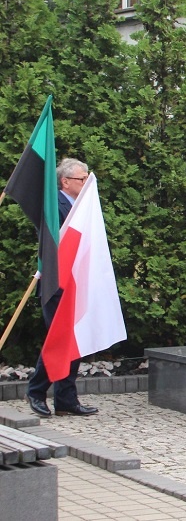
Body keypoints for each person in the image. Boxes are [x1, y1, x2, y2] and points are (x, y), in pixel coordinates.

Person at [26, 158, 99, 417]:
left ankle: (66, 399)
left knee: (73, 339)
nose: (86, 182)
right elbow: (51, 242)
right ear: (65, 182)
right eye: (82, 178)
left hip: (76, 283)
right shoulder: (54, 206)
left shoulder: (83, 207)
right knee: (59, 339)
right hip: (56, 284)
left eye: (87, 177)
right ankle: (36, 392)